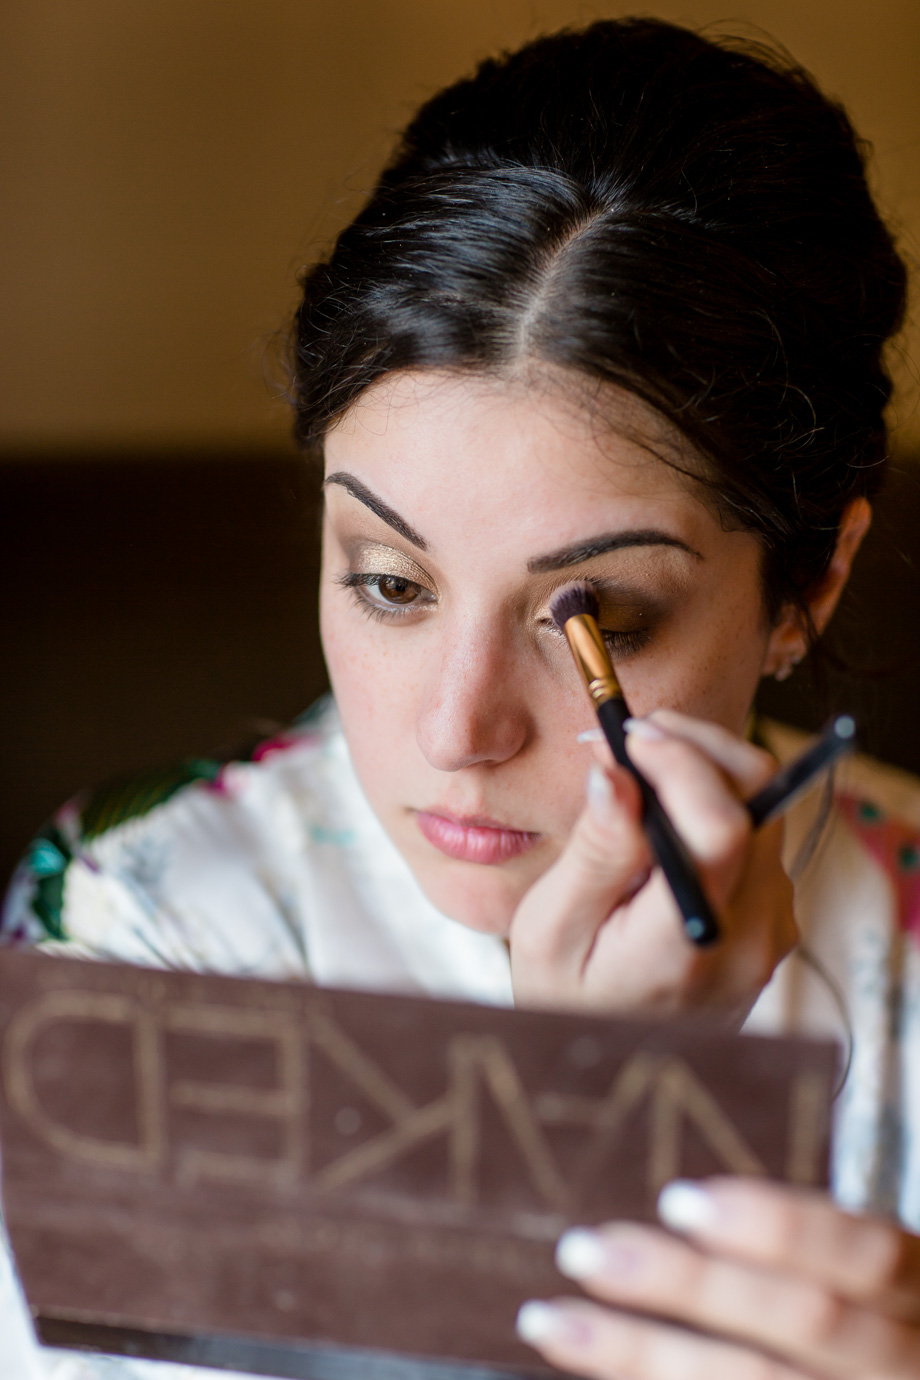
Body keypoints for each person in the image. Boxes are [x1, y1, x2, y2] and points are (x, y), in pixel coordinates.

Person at [3, 16, 919, 1379]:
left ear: (811, 587)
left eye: (597, 618)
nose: (456, 731)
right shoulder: (137, 947)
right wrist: (579, 1105)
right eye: (389, 584)